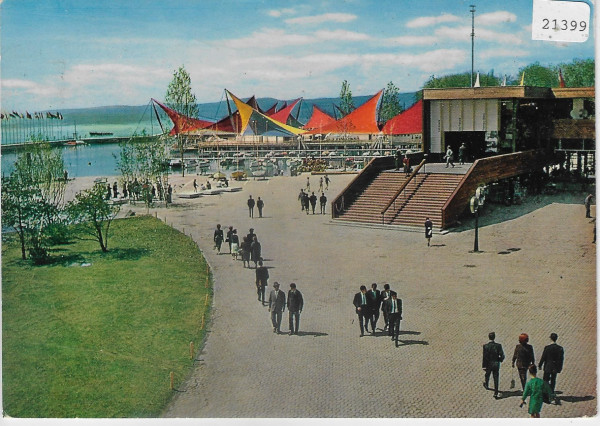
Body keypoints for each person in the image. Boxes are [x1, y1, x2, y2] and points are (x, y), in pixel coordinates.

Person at [538, 333, 564, 399]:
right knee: (553, 380)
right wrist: (559, 368)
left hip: (547, 366)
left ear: (550, 338)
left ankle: (545, 393)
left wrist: (540, 364)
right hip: (555, 367)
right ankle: (551, 392)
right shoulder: (560, 348)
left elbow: (543, 357)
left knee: (545, 380)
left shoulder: (547, 348)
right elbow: (561, 359)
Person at [482, 332, 505, 399]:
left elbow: (485, 357)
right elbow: (502, 355)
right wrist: (500, 360)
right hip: (496, 364)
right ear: (494, 337)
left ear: (489, 337)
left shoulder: (486, 346)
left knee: (487, 375)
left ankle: (486, 384)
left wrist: (484, 366)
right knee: (496, 377)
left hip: (489, 364)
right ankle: (496, 391)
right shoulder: (498, 345)